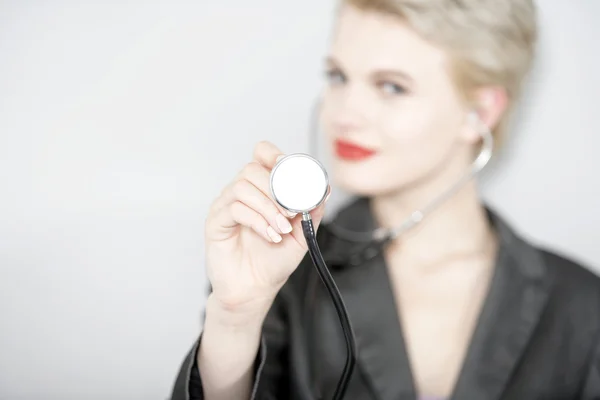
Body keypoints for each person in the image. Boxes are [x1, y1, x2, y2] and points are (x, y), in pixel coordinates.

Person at [171, 0, 600, 399]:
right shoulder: (285, 271)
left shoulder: (581, 306)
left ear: (481, 113)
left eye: (391, 87)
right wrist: (235, 316)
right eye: (338, 77)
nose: (343, 113)